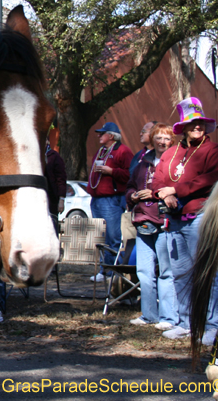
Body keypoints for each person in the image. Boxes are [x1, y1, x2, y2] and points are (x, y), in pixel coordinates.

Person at [152, 97, 218, 344]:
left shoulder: (213, 151)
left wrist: (176, 191)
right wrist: (163, 193)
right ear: (183, 127)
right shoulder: (171, 152)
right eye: (192, 124)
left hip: (200, 219)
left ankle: (210, 326)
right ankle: (186, 323)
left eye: (201, 124)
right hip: (174, 221)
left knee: (205, 273)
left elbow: (212, 178)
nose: (197, 127)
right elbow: (158, 180)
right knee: (181, 274)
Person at [126, 123, 177, 330]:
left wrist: (157, 195)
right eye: (159, 138)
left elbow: (178, 188)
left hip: (166, 222)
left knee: (166, 272)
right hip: (143, 220)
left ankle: (169, 317)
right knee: (145, 271)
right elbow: (130, 186)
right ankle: (149, 314)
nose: (162, 142)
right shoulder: (142, 164)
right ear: (153, 139)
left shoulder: (175, 163)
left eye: (167, 138)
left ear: (171, 141)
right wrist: (133, 195)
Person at [85, 122, 133, 281]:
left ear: (111, 136)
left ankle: (114, 272)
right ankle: (103, 270)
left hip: (111, 200)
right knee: (100, 237)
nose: (99, 135)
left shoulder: (123, 151)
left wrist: (111, 171)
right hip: (97, 199)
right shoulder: (100, 152)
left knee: (113, 237)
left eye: (102, 133)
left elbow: (129, 174)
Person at [45, 138, 67, 229]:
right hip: (37, 197)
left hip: (51, 198)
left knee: (52, 227)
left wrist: (61, 199)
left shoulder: (54, 156)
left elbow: (61, 179)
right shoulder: (32, 155)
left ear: (47, 141)